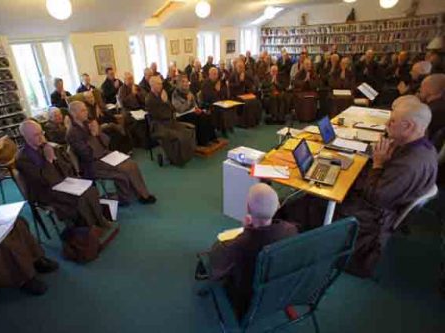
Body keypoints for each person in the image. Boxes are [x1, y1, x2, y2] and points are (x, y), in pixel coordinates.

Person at [278, 95, 438, 277]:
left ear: (409, 126)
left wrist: (377, 163)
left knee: (314, 198)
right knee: (326, 184)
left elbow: (376, 197)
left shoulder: (410, 163)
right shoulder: (420, 148)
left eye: (392, 121)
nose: (387, 124)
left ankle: (288, 238)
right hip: (382, 205)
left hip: (372, 214)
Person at [206, 183, 297, 319]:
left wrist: (246, 230)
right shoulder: (291, 230)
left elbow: (216, 257)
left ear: (248, 208)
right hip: (280, 291)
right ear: (278, 205)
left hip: (248, 299)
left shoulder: (242, 244)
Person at [16, 120, 114, 228]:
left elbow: (67, 168)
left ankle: (99, 220)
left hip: (62, 182)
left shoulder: (47, 146)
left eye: (41, 133)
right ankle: (89, 228)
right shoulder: (22, 159)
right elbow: (42, 180)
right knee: (78, 198)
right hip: (46, 190)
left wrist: (56, 158)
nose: (41, 137)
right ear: (25, 137)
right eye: (36, 135)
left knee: (91, 189)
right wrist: (49, 161)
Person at [66, 101, 156, 205]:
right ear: (74, 114)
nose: (86, 112)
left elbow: (106, 142)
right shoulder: (72, 133)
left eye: (85, 109)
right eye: (83, 110)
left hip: (103, 154)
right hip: (92, 164)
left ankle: (142, 194)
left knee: (131, 163)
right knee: (125, 168)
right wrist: (93, 136)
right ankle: (132, 196)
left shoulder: (87, 123)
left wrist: (98, 132)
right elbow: (86, 154)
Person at [145, 76, 196, 166]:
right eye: (159, 84)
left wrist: (166, 102)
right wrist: (165, 104)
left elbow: (173, 109)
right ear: (152, 85)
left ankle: (186, 156)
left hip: (169, 122)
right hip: (158, 125)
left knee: (188, 131)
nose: (161, 85)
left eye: (161, 83)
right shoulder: (149, 99)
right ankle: (177, 159)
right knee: (178, 136)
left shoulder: (162, 95)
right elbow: (158, 115)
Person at [171, 75, 217, 146]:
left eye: (186, 82)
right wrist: (188, 101)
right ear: (179, 83)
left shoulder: (188, 92)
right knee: (201, 118)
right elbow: (180, 109)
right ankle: (202, 141)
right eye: (183, 82)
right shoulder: (175, 94)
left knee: (206, 114)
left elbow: (195, 103)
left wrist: (197, 108)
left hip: (191, 112)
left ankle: (212, 137)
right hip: (181, 116)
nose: (186, 84)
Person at [201, 67, 234, 136]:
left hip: (220, 101)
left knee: (230, 107)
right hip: (209, 104)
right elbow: (209, 97)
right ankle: (223, 130)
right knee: (221, 110)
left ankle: (229, 126)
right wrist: (217, 90)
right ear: (209, 75)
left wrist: (220, 91)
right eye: (214, 74)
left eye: (216, 74)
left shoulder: (218, 81)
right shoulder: (205, 83)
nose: (215, 76)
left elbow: (224, 92)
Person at [229, 60, 262, 128]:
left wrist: (245, 82)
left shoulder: (246, 74)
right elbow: (231, 86)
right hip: (236, 95)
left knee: (256, 101)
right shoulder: (232, 75)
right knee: (247, 103)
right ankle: (244, 123)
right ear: (236, 67)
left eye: (242, 67)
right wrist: (240, 82)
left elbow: (251, 84)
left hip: (246, 94)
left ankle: (254, 121)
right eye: (239, 67)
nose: (241, 69)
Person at [419, 74, 445, 142]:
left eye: (422, 87)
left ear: (430, 90)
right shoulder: (438, 106)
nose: (420, 90)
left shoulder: (430, 111)